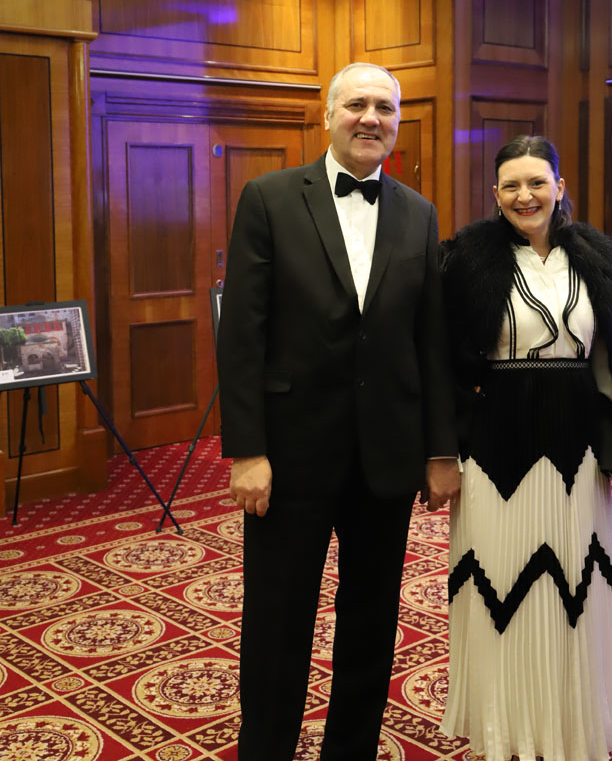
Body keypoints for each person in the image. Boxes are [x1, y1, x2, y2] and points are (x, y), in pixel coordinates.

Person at [217, 62, 459, 761]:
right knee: (277, 620)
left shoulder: (418, 212)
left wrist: (439, 449)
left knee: (371, 619)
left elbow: (430, 342)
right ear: (328, 116)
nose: (370, 118)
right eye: (356, 104)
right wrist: (247, 451)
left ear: (397, 121)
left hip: (386, 456)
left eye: (384, 107)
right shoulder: (268, 198)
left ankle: (350, 750)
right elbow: (242, 336)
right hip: (289, 456)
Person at [439, 134, 612, 761]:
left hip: (576, 450)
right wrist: (440, 450)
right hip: (492, 452)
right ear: (495, 193)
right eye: (511, 184)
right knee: (500, 587)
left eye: (537, 182)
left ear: (559, 187)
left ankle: (568, 728)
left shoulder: (595, 257)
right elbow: (442, 361)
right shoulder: (466, 259)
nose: (525, 195)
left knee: (576, 588)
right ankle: (504, 732)